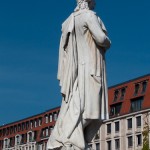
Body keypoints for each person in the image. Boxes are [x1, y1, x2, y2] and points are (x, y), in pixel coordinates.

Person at [47, 0, 111, 149]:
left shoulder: (69, 21)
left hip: (76, 70)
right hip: (91, 68)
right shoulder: (89, 16)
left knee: (78, 105)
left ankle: (72, 138)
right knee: (91, 107)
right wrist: (108, 42)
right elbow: (101, 39)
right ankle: (70, 137)